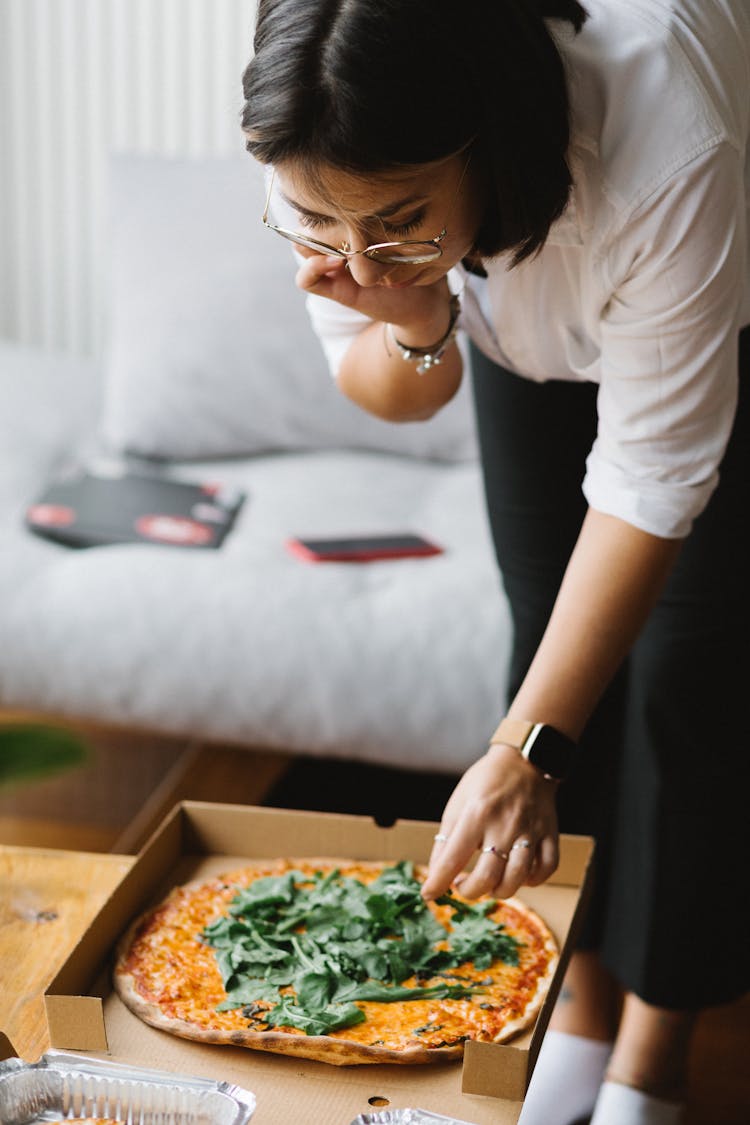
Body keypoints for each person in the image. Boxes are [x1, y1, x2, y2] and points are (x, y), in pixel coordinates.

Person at [241, 2, 750, 1122]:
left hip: (702, 277)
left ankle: (651, 1064)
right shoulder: (319, 118)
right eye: (321, 225)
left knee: (687, 681)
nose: (351, 255)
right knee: (549, 636)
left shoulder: (667, 136)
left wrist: (523, 751)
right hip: (496, 293)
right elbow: (395, 387)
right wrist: (414, 297)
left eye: (398, 219)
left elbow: (651, 484)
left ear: (487, 140)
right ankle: (576, 1008)